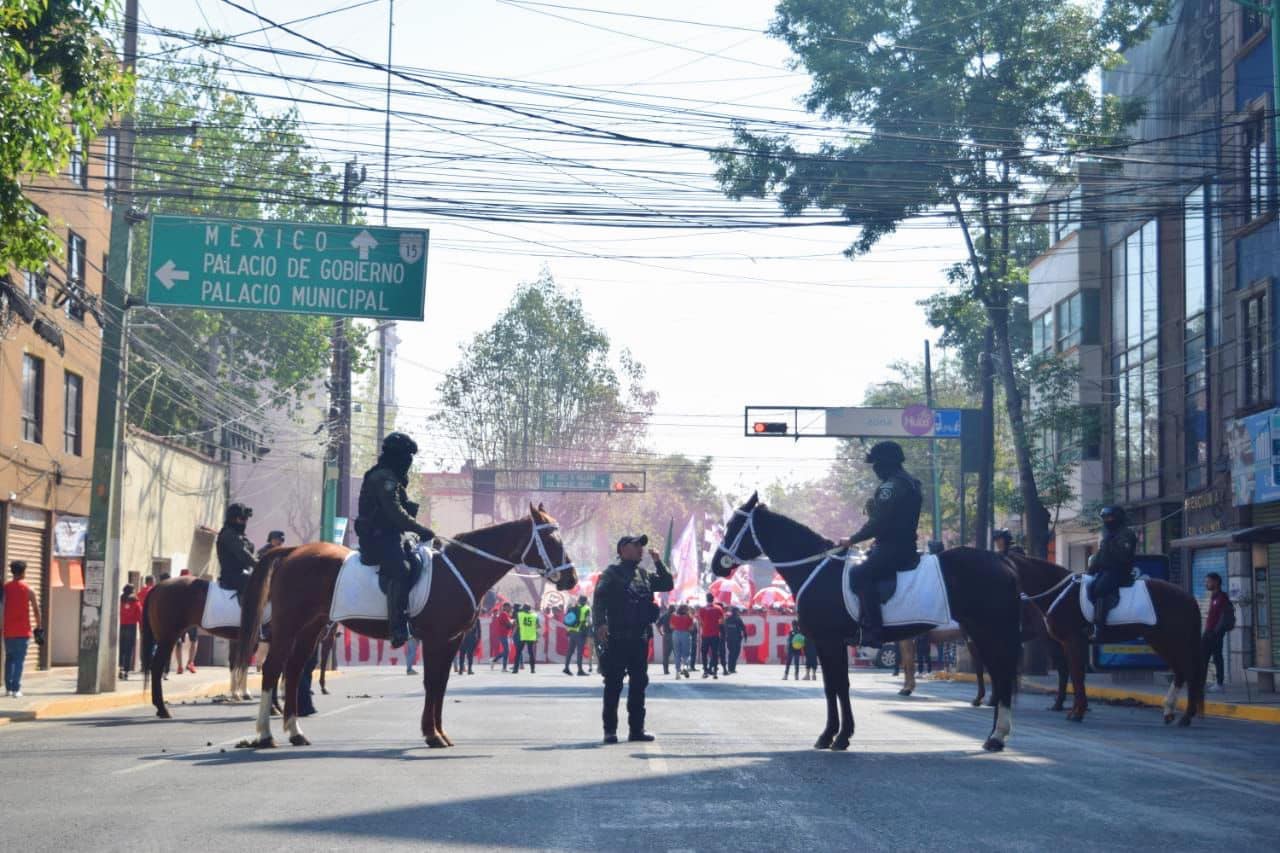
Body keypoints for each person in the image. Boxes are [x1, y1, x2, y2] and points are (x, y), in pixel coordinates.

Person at [838, 441, 923, 647]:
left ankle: (874, 632)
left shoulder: (891, 486)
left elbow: (879, 523)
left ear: (885, 463)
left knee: (859, 573)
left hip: (892, 549)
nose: (874, 468)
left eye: (876, 463)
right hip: (903, 546)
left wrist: (852, 539)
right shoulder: (912, 482)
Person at [354, 432, 435, 649]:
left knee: (418, 560)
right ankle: (396, 627)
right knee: (401, 568)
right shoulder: (383, 478)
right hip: (377, 537)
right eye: (406, 456)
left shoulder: (392, 478)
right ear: (396, 456)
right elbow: (394, 513)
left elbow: (401, 509)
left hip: (391, 536)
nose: (409, 461)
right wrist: (420, 529)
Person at [593, 534, 673, 743]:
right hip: (617, 638)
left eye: (641, 545)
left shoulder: (643, 574)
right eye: (635, 545)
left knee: (639, 685)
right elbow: (599, 600)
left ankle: (636, 730)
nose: (640, 549)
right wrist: (600, 623)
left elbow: (667, 584)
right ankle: (610, 731)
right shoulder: (611, 573)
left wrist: (658, 562)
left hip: (639, 638)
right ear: (622, 549)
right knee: (613, 685)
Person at [1086, 505, 1137, 640]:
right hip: (1106, 571)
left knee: (1100, 589)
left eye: (1109, 517)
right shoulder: (1109, 535)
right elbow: (1101, 555)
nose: (1107, 520)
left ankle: (1100, 628)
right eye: (1105, 518)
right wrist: (1090, 571)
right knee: (1087, 587)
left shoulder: (1126, 534)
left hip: (1119, 571)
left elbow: (1122, 557)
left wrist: (1110, 543)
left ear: (1117, 518)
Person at [4, 561, 43, 697]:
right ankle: (16, 689)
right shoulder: (28, 589)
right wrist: (39, 625)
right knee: (19, 660)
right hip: (22, 631)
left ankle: (8, 688)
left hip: (7, 630)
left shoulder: (5, 588)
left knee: (9, 659)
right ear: (24, 572)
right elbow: (36, 610)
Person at [1202, 572, 1233, 693]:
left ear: (1216, 582)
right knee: (1203, 658)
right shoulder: (1213, 596)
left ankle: (1220, 684)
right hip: (1208, 632)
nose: (1206, 584)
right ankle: (1201, 683)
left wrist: (1216, 632)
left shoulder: (1222, 597)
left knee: (1217, 658)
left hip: (1215, 633)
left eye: (1208, 581)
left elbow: (1225, 616)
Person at [216, 503, 257, 597]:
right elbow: (243, 554)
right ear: (233, 519)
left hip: (242, 573)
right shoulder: (229, 534)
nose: (245, 522)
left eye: (246, 519)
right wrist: (261, 565)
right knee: (258, 584)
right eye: (242, 519)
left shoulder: (239, 535)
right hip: (231, 577)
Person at [697, 592, 724, 679]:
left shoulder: (702, 609)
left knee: (704, 653)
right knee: (715, 653)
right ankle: (715, 672)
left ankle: (705, 671)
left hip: (705, 634)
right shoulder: (718, 608)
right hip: (715, 634)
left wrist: (705, 625)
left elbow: (700, 622)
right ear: (713, 599)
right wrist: (715, 624)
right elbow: (722, 621)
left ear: (706, 599)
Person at [563, 595, 591, 676]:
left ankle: (566, 668)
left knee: (570, 651)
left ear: (579, 600)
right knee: (579, 652)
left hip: (572, 631)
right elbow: (588, 621)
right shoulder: (587, 608)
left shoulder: (573, 607)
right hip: (580, 632)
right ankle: (580, 670)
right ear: (585, 601)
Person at [119, 585, 142, 680]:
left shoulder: (121, 601)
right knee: (129, 650)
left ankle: (120, 668)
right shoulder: (136, 602)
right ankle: (126, 671)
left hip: (121, 626)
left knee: (121, 649)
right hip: (131, 627)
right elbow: (140, 615)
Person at [513, 604, 539, 673]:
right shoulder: (535, 615)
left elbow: (517, 625)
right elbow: (538, 626)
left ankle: (515, 669)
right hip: (531, 636)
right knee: (531, 653)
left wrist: (513, 633)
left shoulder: (520, 614)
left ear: (523, 609)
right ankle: (532, 669)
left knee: (518, 653)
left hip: (522, 635)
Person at [670, 604, 694, 677]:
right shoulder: (689, 617)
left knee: (677, 654)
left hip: (675, 634)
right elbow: (691, 628)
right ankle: (685, 667)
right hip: (685, 634)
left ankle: (677, 672)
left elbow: (671, 626)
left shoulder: (674, 616)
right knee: (686, 654)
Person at [722, 606, 746, 674]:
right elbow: (743, 628)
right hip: (736, 639)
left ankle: (730, 667)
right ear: (736, 612)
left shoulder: (728, 619)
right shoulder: (738, 619)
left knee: (731, 653)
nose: (738, 613)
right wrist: (745, 635)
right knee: (735, 653)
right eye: (737, 611)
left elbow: (724, 628)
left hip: (730, 639)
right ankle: (732, 668)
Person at [492, 602, 514, 671]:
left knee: (506, 650)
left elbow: (508, 624)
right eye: (509, 607)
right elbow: (509, 624)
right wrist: (513, 621)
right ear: (505, 607)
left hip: (505, 634)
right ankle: (503, 667)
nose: (510, 608)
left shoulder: (506, 614)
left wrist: (511, 621)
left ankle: (495, 660)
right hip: (503, 634)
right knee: (507, 650)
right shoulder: (504, 614)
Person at [658, 604, 675, 674]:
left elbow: (657, 624)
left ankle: (665, 670)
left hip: (666, 635)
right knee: (677, 653)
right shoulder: (675, 616)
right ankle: (679, 670)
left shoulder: (664, 616)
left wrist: (661, 633)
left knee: (666, 654)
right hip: (674, 635)